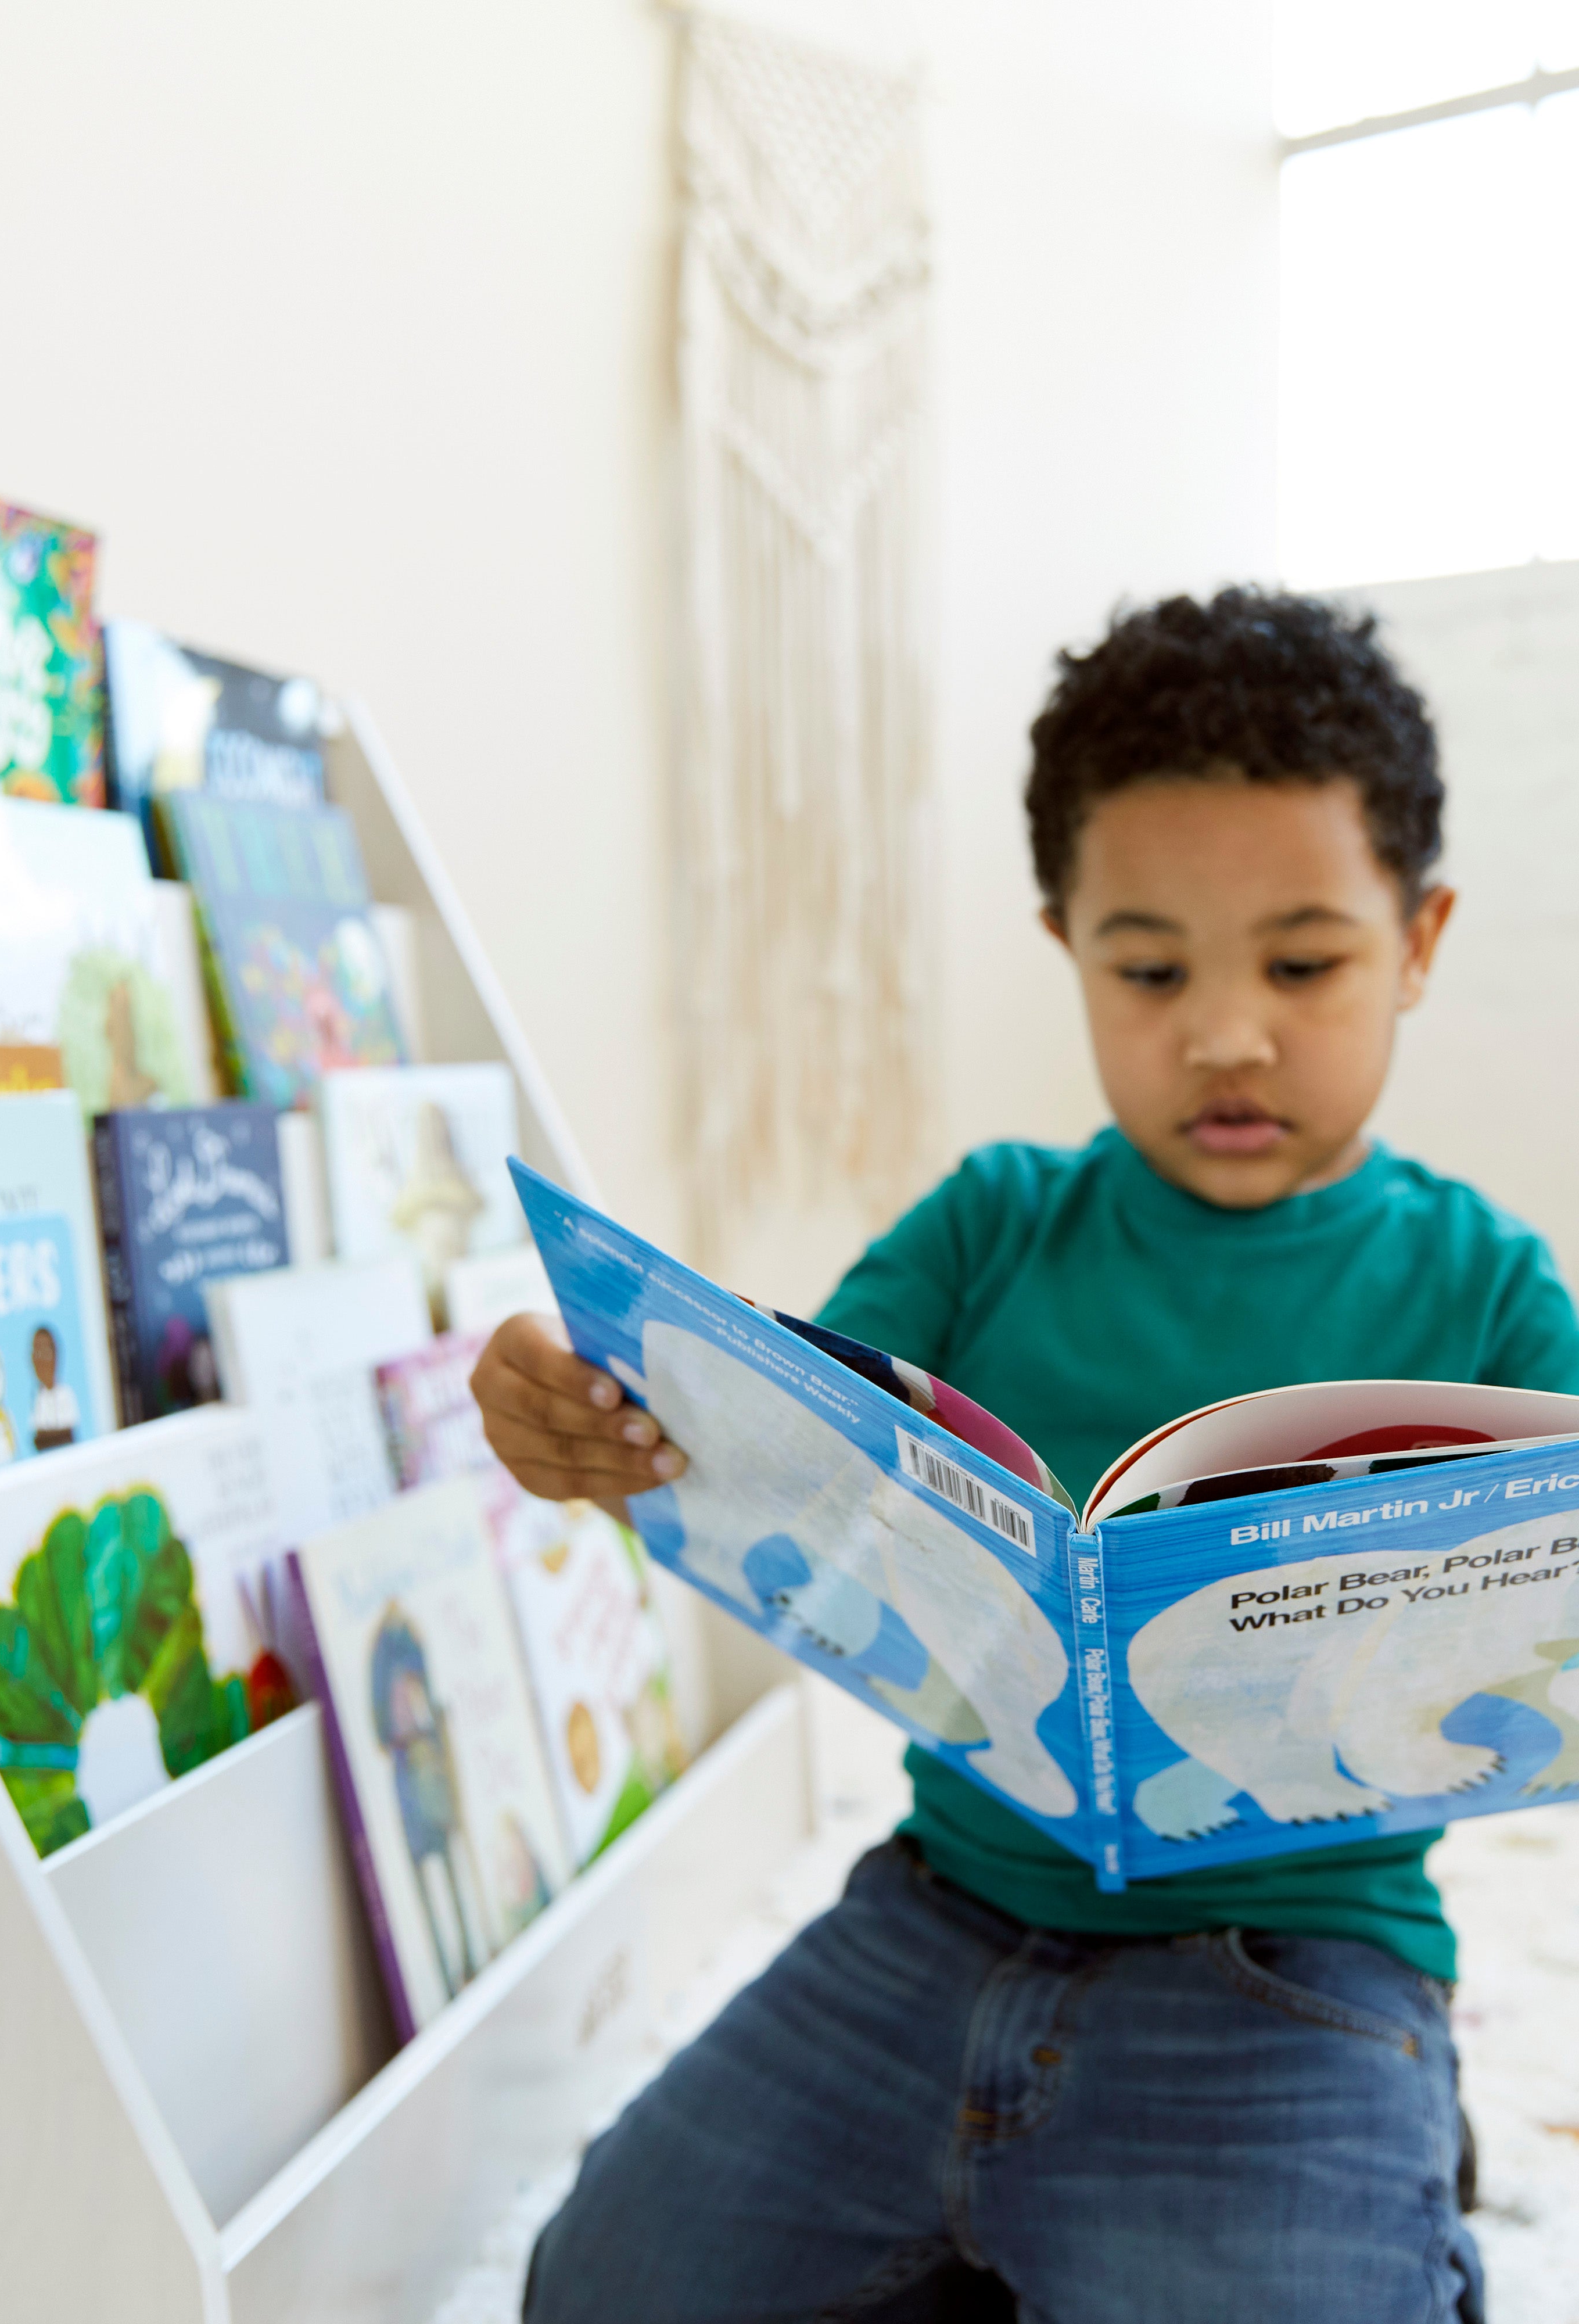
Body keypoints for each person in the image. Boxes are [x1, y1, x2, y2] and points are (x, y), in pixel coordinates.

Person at [477, 589, 1577, 2323]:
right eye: (1150, 970)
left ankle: (1341, 2169)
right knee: (603, 2284)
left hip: (1296, 1967)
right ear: (1066, 943)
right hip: (937, 1913)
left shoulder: (1492, 1293)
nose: (1227, 1034)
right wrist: (593, 1420)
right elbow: (773, 1441)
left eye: (1304, 965)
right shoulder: (990, 1225)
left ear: (1419, 942)